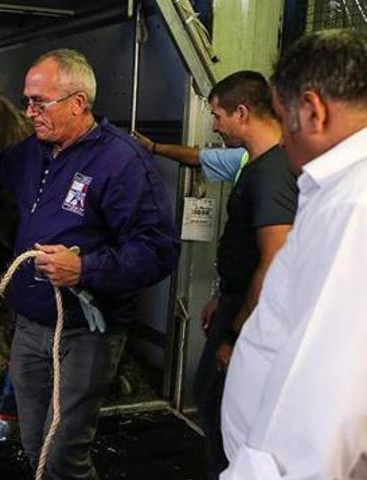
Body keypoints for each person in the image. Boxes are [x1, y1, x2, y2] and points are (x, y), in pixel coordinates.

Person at [0, 49, 179, 479]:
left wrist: (85, 269)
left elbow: (159, 250)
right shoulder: (37, 151)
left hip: (83, 332)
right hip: (30, 328)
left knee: (63, 457)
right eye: (27, 101)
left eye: (40, 102)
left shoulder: (123, 163)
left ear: (78, 103)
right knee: (35, 443)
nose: (29, 112)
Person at [220, 29, 367, 480]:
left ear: (313, 110)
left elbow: (325, 399)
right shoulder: (342, 190)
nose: (283, 140)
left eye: (284, 120)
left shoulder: (353, 206)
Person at [192, 71, 298, 479]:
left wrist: (237, 334)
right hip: (236, 301)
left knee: (222, 412)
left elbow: (273, 259)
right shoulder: (256, 166)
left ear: (241, 113)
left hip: (250, 317)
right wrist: (224, 294)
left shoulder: (272, 173)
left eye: (218, 116)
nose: (215, 127)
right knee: (209, 397)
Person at [131, 131, 248, 183]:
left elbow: (195, 157)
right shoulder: (244, 156)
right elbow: (197, 156)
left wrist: (152, 147)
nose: (215, 127)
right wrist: (152, 147)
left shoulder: (242, 156)